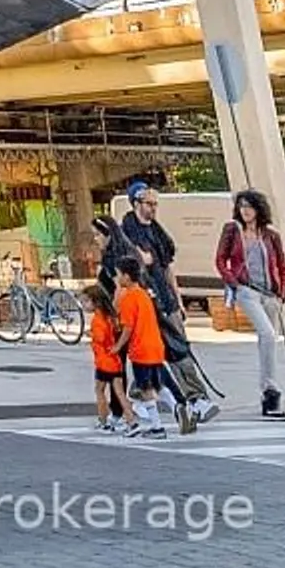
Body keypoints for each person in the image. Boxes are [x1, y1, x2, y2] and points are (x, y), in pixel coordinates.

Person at [117, 180, 220, 428]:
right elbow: (126, 272)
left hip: (166, 299)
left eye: (155, 204)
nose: (153, 208)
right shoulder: (127, 234)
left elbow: (167, 267)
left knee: (177, 349)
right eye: (148, 204)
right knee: (161, 353)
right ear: (136, 203)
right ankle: (190, 398)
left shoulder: (159, 234)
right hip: (147, 302)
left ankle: (190, 398)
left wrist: (178, 299)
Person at [217, 189, 285, 419]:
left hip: (270, 294)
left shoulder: (270, 235)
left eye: (249, 206)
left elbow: (282, 266)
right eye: (241, 206)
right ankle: (270, 388)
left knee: (269, 340)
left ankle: (269, 396)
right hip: (247, 290)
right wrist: (233, 283)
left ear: (258, 209)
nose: (245, 210)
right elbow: (220, 259)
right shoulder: (232, 230)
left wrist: (282, 294)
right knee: (266, 333)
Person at [113, 268, 177, 439]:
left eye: (119, 274)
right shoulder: (144, 295)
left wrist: (118, 346)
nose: (117, 278)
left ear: (127, 275)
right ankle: (176, 407)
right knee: (158, 384)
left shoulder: (129, 298)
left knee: (145, 388)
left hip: (140, 349)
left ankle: (157, 427)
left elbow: (128, 327)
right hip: (156, 346)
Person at [82, 280, 131, 434]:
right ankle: (131, 419)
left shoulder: (98, 319)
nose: (84, 305)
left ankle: (103, 420)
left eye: (86, 301)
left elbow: (101, 337)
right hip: (113, 360)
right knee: (120, 392)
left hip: (104, 361)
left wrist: (91, 334)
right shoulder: (110, 316)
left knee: (99, 390)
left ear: (94, 302)